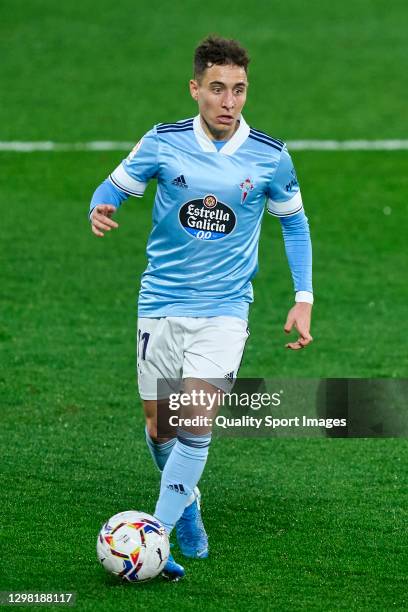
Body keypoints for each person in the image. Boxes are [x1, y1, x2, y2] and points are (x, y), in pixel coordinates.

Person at [89, 35, 313, 580]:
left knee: (194, 421)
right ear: (195, 90)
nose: (229, 102)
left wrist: (303, 297)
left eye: (238, 90)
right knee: (160, 428)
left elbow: (295, 223)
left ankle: (157, 536)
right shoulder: (162, 143)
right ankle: (187, 503)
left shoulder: (270, 156)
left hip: (224, 311)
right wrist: (103, 204)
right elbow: (116, 185)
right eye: (217, 89)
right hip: (160, 305)